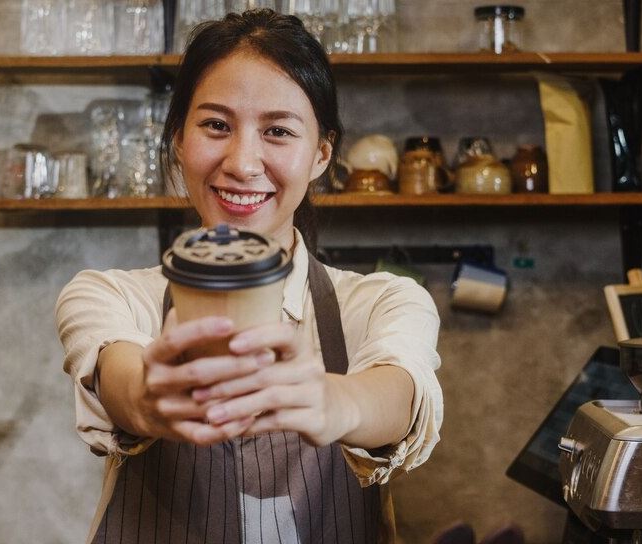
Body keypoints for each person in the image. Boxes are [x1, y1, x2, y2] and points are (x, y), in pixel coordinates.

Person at [56, 9, 443, 544]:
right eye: (216, 125)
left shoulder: (382, 302)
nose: (242, 162)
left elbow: (400, 393)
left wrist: (334, 403)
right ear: (178, 141)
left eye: (278, 131)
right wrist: (153, 397)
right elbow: (122, 380)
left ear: (321, 154)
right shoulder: (111, 295)